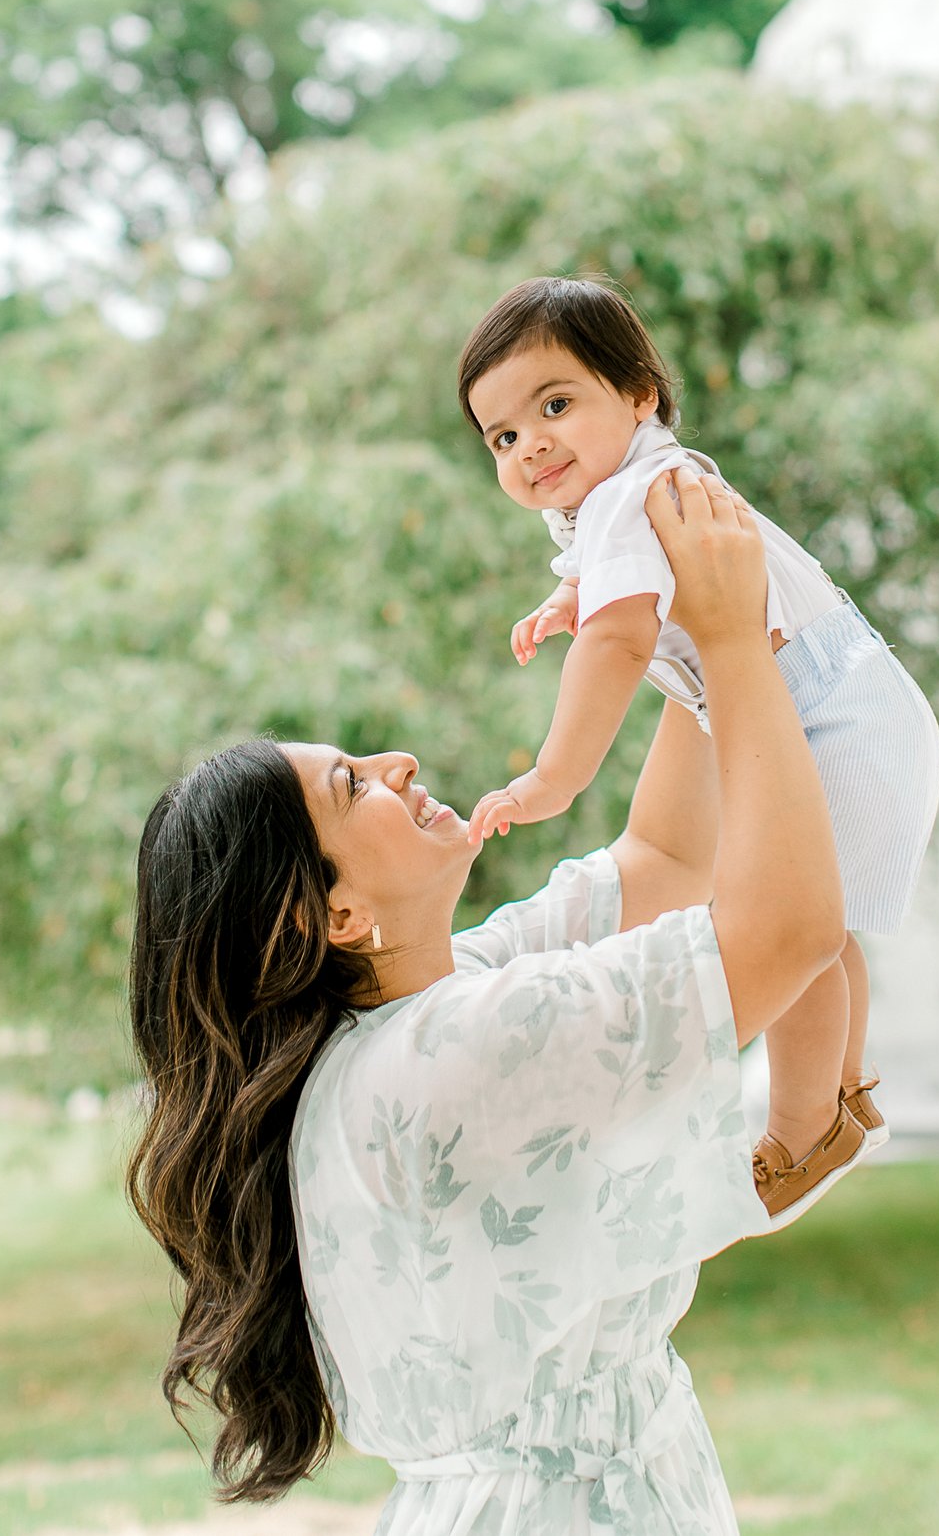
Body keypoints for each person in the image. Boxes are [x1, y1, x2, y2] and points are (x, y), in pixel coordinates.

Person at [128, 467, 846, 1528]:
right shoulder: (451, 1050)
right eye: (351, 787)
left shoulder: (428, 1003)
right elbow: (784, 931)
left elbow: (662, 858)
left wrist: (690, 629)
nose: (398, 763)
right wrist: (737, 649)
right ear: (325, 918)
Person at [453, 275, 939, 1220]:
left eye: (555, 405)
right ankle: (846, 1098)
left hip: (831, 716)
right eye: (503, 437)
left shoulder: (631, 498)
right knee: (820, 920)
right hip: (858, 703)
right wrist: (571, 596)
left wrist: (555, 775)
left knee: (790, 927)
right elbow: (625, 595)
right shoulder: (639, 488)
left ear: (639, 395)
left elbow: (622, 639)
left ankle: (803, 1130)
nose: (531, 445)